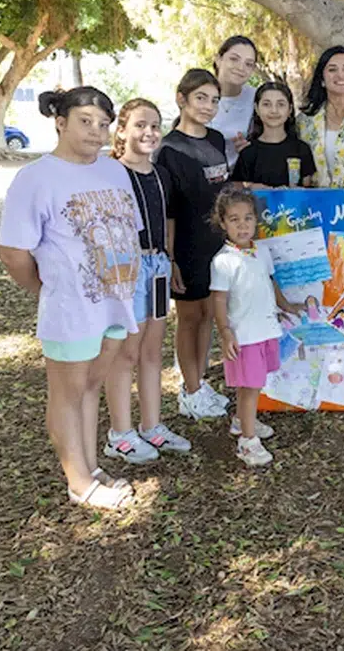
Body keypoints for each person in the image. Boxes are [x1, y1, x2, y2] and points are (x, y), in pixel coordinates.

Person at [0, 86, 141, 511]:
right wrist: (47, 289)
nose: (96, 131)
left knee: (92, 385)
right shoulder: (36, 178)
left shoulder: (115, 171)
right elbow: (12, 252)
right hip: (70, 309)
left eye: (103, 123)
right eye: (85, 121)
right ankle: (78, 483)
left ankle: (90, 467)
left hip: (114, 303)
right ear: (60, 123)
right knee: (68, 391)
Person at [102, 98, 191, 465]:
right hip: (127, 269)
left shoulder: (161, 175)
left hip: (158, 266)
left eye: (155, 125)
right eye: (139, 125)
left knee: (152, 351)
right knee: (126, 353)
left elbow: (168, 220)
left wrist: (170, 259)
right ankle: (120, 434)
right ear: (122, 130)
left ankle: (152, 425)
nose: (149, 132)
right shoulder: (111, 173)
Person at [155, 69, 233, 422]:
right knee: (189, 318)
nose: (208, 106)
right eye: (201, 98)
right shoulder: (168, 149)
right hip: (186, 245)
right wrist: (170, 258)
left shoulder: (217, 139)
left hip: (217, 244)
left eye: (214, 100)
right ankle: (188, 390)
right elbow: (168, 211)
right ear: (181, 98)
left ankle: (199, 384)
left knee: (209, 316)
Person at [210, 187, 303, 467]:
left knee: (254, 383)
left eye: (248, 218)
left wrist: (286, 306)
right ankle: (247, 443)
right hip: (244, 335)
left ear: (256, 220)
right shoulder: (223, 261)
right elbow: (218, 299)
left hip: (266, 330)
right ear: (223, 223)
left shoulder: (261, 251)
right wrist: (225, 331)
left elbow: (270, 282)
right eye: (234, 219)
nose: (242, 225)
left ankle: (242, 421)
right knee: (250, 387)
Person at [297, 46, 344, 187]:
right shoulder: (304, 121)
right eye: (332, 69)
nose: (340, 75)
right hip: (314, 198)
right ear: (322, 80)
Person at [231, 82, 317, 188]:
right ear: (256, 108)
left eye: (280, 104)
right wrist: (250, 186)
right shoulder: (248, 152)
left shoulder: (301, 149)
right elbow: (237, 187)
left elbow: (308, 189)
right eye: (266, 104)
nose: (274, 110)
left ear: (290, 109)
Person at [207, 35, 259, 170]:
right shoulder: (199, 93)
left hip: (241, 176)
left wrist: (250, 148)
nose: (241, 67)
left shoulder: (257, 98)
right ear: (218, 59)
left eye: (248, 64)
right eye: (234, 59)